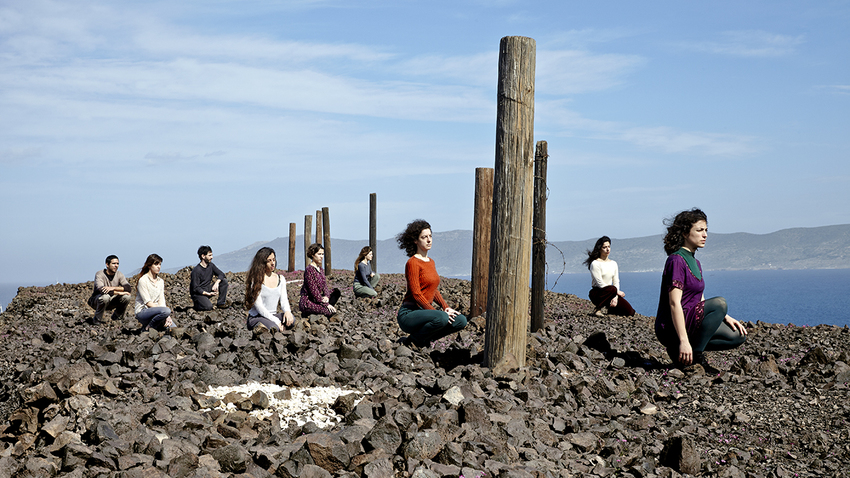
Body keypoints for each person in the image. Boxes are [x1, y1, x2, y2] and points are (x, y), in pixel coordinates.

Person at [655, 208, 748, 370]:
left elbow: (699, 298)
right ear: (685, 233)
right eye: (699, 230)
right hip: (671, 326)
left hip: (691, 319)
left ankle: (681, 353)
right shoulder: (676, 260)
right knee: (720, 302)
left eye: (706, 230)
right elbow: (674, 303)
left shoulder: (696, 263)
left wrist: (724, 317)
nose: (705, 235)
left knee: (737, 336)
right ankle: (694, 355)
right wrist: (684, 341)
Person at [396, 219, 467, 347]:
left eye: (430, 236)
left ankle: (424, 338)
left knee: (461, 320)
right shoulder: (412, 263)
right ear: (415, 240)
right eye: (424, 237)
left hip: (426, 313)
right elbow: (416, 294)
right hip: (409, 313)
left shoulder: (431, 262)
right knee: (441, 318)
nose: (429, 240)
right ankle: (414, 340)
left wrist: (446, 307)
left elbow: (432, 289)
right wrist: (437, 313)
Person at [244, 247, 294, 331]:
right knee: (274, 327)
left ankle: (279, 327)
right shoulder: (256, 280)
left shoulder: (280, 278)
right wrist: (277, 321)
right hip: (257, 317)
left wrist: (287, 312)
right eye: (269, 261)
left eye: (273, 260)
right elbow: (259, 306)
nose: (272, 263)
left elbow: (284, 300)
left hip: (273, 315)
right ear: (262, 263)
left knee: (292, 320)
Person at [583, 236, 635, 317]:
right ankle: (597, 309)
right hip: (598, 293)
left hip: (612, 293)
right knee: (612, 288)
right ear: (600, 249)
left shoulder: (613, 263)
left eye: (609, 247)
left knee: (630, 312)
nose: (607, 249)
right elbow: (600, 283)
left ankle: (612, 310)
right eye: (604, 247)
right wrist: (616, 292)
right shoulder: (595, 263)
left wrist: (616, 297)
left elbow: (616, 281)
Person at [87, 255, 133, 324]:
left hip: (112, 300)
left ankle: (117, 317)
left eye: (117, 263)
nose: (116, 265)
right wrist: (119, 293)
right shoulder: (99, 274)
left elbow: (128, 288)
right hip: (97, 300)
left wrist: (112, 288)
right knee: (105, 297)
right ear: (107, 264)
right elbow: (102, 290)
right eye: (114, 263)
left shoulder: (119, 274)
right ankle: (97, 319)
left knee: (127, 296)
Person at [299, 243, 341, 317]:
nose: (321, 256)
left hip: (318, 298)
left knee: (336, 292)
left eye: (322, 254)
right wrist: (326, 304)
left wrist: (326, 297)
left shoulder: (320, 269)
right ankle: (311, 311)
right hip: (309, 300)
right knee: (329, 312)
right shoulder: (309, 270)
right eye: (319, 254)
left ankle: (324, 306)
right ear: (312, 254)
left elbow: (325, 286)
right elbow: (313, 291)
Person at [134, 254, 174, 331]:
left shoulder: (160, 281)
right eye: (156, 264)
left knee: (171, 325)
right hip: (143, 312)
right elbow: (148, 303)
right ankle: (150, 326)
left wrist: (167, 316)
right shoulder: (143, 280)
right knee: (167, 311)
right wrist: (165, 312)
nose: (158, 267)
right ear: (149, 266)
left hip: (157, 312)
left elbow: (161, 300)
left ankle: (153, 326)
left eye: (160, 264)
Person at [190, 245, 229, 310]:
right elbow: (195, 288)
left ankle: (221, 303)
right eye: (209, 255)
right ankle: (197, 304)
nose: (212, 257)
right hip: (198, 294)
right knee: (208, 307)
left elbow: (221, 274)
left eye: (211, 255)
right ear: (203, 256)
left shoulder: (211, 265)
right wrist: (208, 294)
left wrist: (217, 283)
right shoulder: (196, 271)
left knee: (224, 281)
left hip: (207, 288)